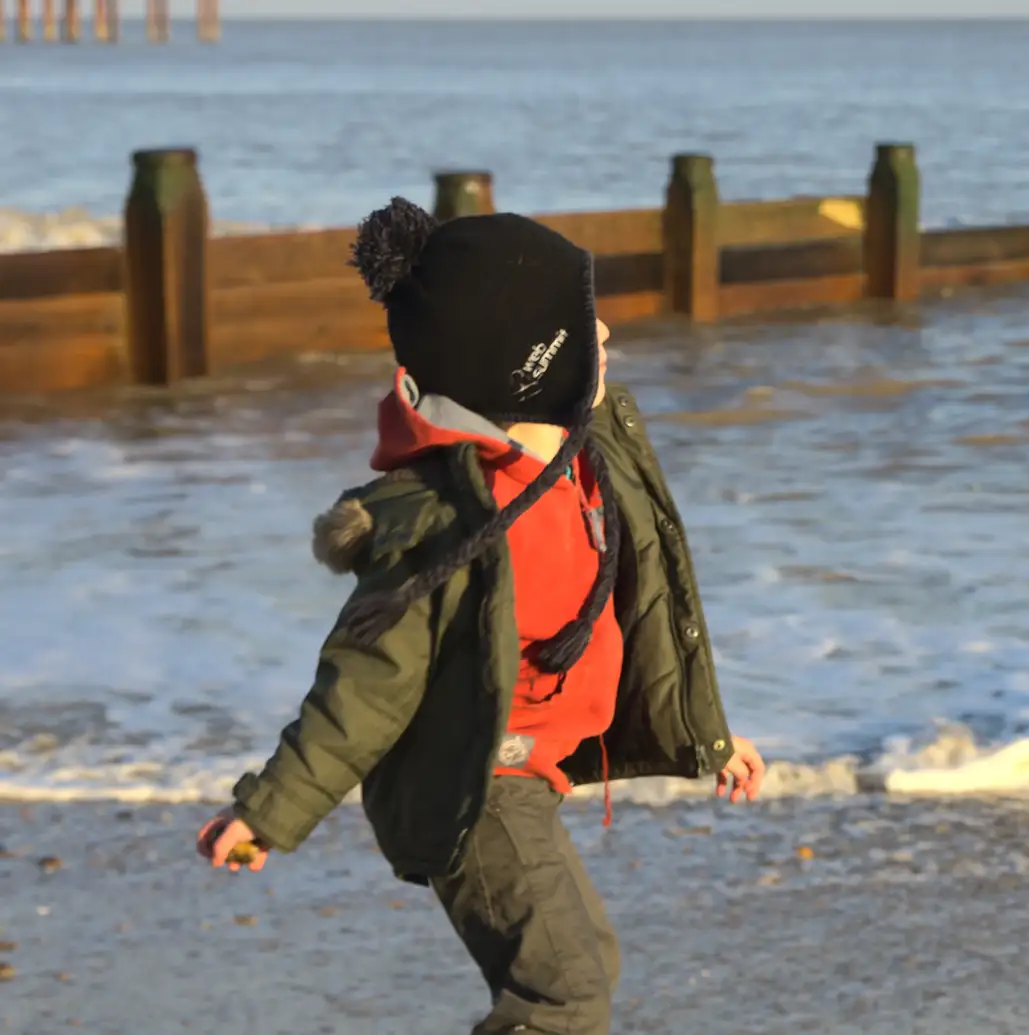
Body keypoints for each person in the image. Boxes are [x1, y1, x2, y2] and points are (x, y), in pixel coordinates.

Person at [194, 197, 766, 1035]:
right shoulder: (452, 524)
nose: (605, 337)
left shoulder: (588, 466)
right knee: (563, 989)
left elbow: (653, 612)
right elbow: (365, 685)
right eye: (586, 328)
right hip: (476, 787)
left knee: (584, 962)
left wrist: (707, 734)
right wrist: (270, 809)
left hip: (531, 775)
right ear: (530, 367)